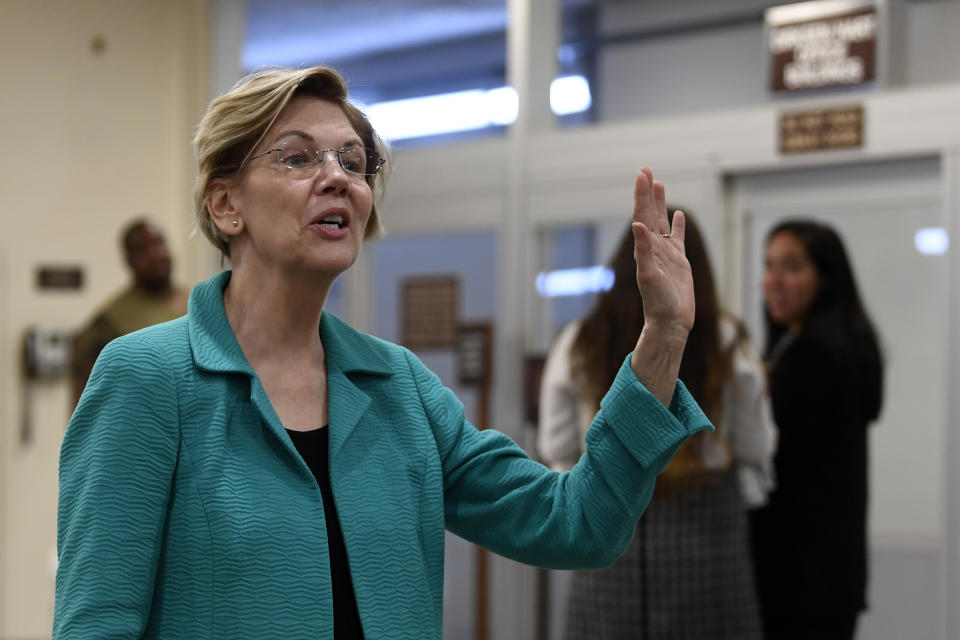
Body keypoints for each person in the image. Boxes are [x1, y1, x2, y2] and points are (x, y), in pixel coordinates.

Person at [53, 66, 712, 640]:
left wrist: (663, 340)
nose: (338, 178)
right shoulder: (147, 379)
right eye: (298, 157)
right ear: (227, 205)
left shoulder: (399, 388)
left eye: (353, 161)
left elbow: (576, 524)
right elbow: (96, 623)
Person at [538, 211, 776, 640]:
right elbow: (754, 447)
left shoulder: (580, 340)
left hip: (609, 518)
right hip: (706, 531)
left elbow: (557, 447)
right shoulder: (726, 339)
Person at [750, 219, 884, 640]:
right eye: (769, 265)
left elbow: (770, 457)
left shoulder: (815, 355)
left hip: (801, 575)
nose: (773, 281)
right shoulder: (823, 345)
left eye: (791, 267)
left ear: (825, 278)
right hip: (825, 574)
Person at [70, 218, 187, 405]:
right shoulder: (111, 320)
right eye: (142, 250)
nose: (155, 254)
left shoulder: (200, 302)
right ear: (128, 260)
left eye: (158, 244)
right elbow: (83, 391)